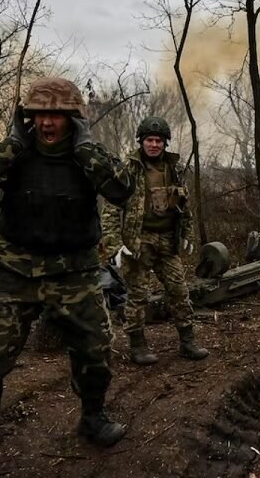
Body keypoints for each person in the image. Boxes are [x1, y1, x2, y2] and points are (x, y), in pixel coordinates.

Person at [0, 77, 135, 477]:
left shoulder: (88, 155)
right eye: (39, 114)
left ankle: (93, 417)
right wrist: (12, 145)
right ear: (27, 117)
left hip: (75, 270)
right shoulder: (15, 152)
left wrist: (85, 148)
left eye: (57, 115)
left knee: (95, 350)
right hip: (16, 270)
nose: (47, 123)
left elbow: (122, 191)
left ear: (74, 118)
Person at [101, 116, 208, 366]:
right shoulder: (129, 169)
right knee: (137, 295)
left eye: (158, 141)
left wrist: (187, 233)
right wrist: (115, 244)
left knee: (179, 291)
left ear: (164, 143)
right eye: (149, 140)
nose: (154, 145)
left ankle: (188, 341)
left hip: (168, 240)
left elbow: (184, 204)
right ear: (141, 141)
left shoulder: (173, 169)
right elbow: (111, 208)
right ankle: (137, 346)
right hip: (139, 241)